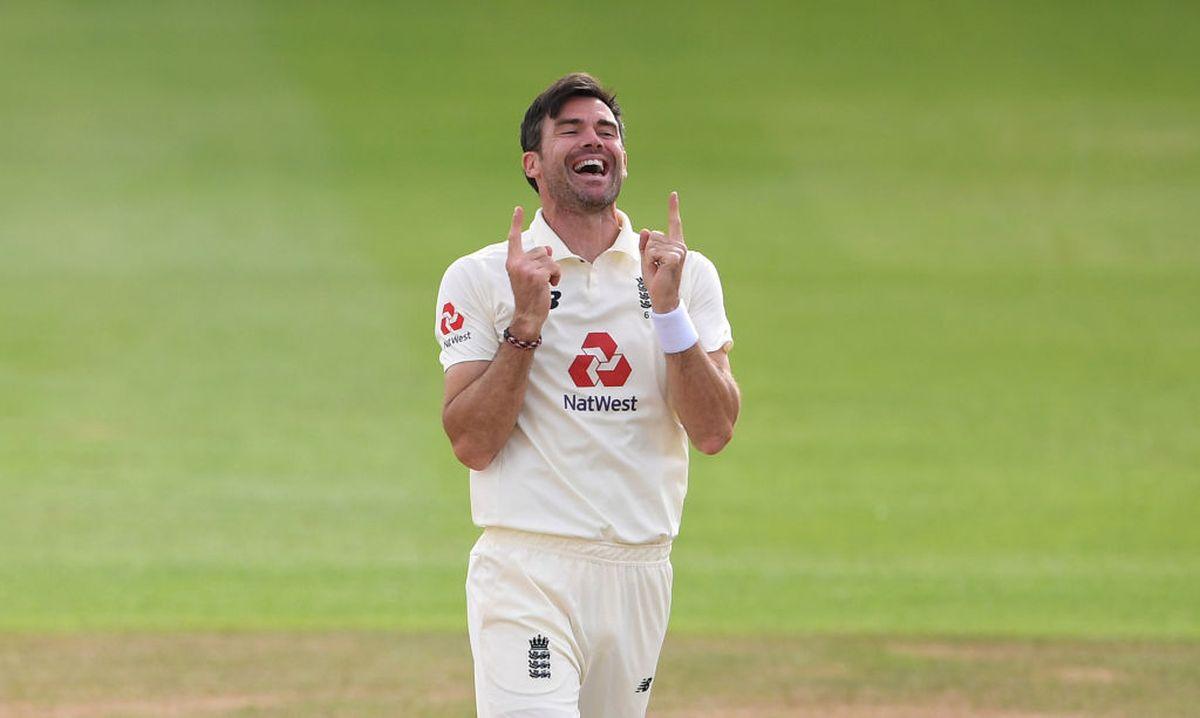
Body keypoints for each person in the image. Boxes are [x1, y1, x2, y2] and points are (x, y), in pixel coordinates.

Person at [434, 72, 740, 718]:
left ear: (622, 158)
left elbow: (713, 431)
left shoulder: (683, 273)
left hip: (639, 568)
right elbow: (471, 441)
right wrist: (525, 325)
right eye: (569, 130)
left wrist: (669, 315)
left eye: (606, 131)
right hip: (528, 565)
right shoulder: (484, 277)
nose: (591, 139)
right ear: (532, 163)